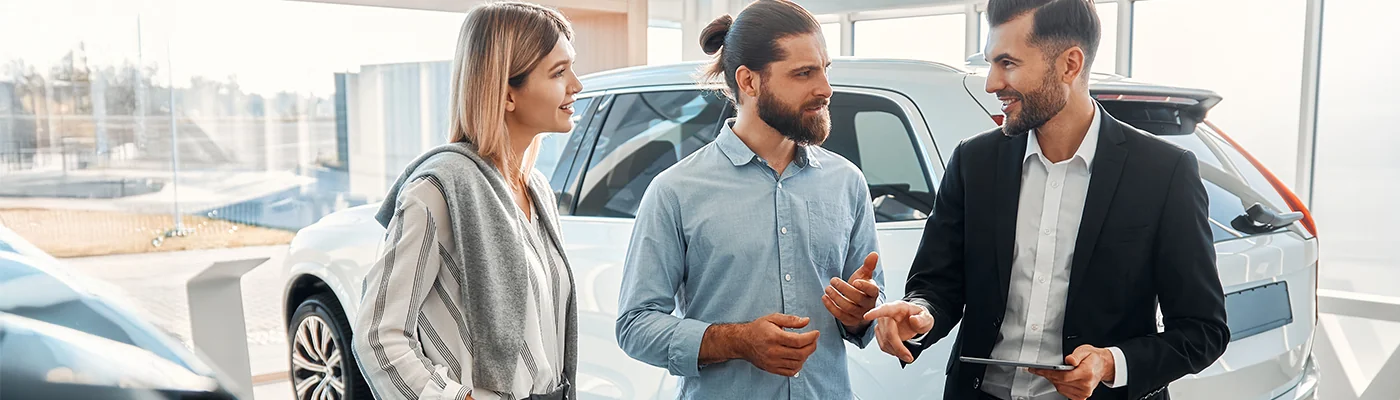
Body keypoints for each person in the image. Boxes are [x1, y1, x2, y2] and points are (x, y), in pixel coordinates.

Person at [863, 0, 1229, 399]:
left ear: (1069, 64)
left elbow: (1203, 330)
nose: (991, 83)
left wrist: (1110, 362)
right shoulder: (974, 161)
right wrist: (922, 314)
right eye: (991, 63)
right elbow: (937, 284)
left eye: (1008, 63)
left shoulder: (1163, 172)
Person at [613, 1, 884, 398]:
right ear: (749, 81)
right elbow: (635, 325)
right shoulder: (675, 191)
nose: (826, 89)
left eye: (826, 69)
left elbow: (870, 316)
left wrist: (862, 316)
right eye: (804, 73)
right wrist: (736, 341)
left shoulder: (847, 182)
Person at [353, 3, 583, 400]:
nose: (576, 85)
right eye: (559, 72)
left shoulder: (537, 191)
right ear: (507, 93)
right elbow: (378, 335)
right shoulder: (438, 190)